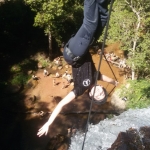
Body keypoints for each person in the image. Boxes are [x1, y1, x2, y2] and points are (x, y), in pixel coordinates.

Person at [37, 0, 116, 137]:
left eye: (97, 95)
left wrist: (48, 123)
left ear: (91, 95)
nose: (98, 91)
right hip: (83, 49)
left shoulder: (80, 88)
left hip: (73, 54)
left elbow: (61, 104)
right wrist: (115, 83)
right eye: (101, 92)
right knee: (103, 19)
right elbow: (104, 77)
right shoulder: (94, 77)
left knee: (90, 25)